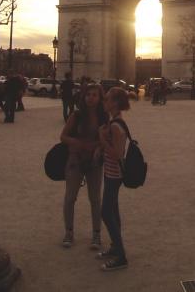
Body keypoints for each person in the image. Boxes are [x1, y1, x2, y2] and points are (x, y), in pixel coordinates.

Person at [60, 83, 107, 250]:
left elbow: (107, 141)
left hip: (94, 161)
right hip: (76, 160)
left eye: (94, 95)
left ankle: (96, 234)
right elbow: (63, 136)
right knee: (70, 197)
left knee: (95, 199)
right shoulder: (76, 115)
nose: (91, 98)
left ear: (100, 98)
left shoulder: (105, 117)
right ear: (83, 96)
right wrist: (78, 143)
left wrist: (98, 148)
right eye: (88, 94)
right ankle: (69, 232)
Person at [97, 86, 131, 271]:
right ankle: (114, 246)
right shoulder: (114, 122)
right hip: (110, 172)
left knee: (106, 212)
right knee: (113, 211)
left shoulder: (116, 126)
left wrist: (102, 139)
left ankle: (121, 256)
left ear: (116, 103)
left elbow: (118, 153)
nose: (104, 101)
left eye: (108, 99)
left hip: (114, 174)